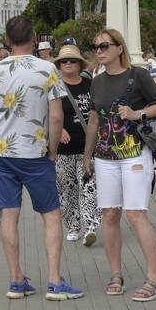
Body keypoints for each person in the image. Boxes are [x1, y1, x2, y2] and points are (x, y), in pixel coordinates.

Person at [0, 16, 83, 302]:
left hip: (2, 154)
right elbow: (57, 116)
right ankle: (54, 281)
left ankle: (16, 281)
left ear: (7, 40)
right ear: (34, 38)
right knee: (51, 215)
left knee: (9, 215)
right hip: (36, 154)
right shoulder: (47, 69)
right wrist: (52, 150)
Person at [84, 27, 156, 302]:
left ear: (119, 48)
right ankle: (116, 275)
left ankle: (154, 280)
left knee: (135, 214)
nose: (99, 51)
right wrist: (87, 156)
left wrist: (137, 113)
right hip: (104, 157)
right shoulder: (97, 81)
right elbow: (94, 121)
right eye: (96, 47)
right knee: (110, 215)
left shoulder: (138, 75)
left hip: (134, 155)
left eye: (104, 46)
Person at [54, 43, 99, 247]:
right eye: (64, 61)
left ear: (80, 64)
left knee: (89, 187)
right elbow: (45, 114)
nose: (68, 64)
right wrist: (58, 130)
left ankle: (90, 227)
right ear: (59, 65)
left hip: (87, 148)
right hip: (64, 150)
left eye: (73, 60)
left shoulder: (91, 85)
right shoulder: (54, 87)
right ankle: (73, 226)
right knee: (68, 189)